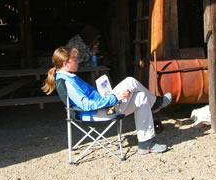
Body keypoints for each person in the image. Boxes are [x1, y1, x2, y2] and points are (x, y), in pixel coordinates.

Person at [42, 47, 172, 154]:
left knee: (141, 97)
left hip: (101, 109)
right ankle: (155, 103)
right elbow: (86, 105)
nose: (78, 61)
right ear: (66, 64)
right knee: (130, 81)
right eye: (75, 59)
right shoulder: (68, 82)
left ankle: (146, 144)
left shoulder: (68, 77)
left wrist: (106, 95)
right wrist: (114, 98)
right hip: (97, 114)